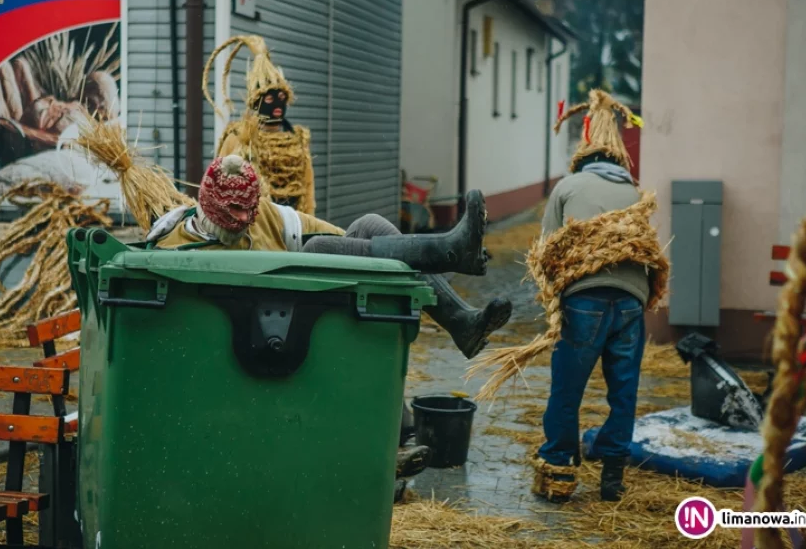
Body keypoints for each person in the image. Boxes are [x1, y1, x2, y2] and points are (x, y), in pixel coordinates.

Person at [148, 155, 514, 500]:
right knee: (322, 248)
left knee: (367, 226)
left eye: (251, 210)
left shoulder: (264, 217)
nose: (245, 219)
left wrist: (378, 253)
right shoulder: (173, 247)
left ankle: (462, 319)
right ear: (211, 208)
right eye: (236, 212)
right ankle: (449, 251)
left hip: (308, 312)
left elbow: (347, 243)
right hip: (254, 341)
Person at [530, 89, 668, 504]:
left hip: (583, 301)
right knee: (623, 392)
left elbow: (546, 250)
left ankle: (559, 471)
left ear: (584, 156)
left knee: (567, 390)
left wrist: (554, 302)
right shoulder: (636, 194)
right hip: (630, 302)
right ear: (618, 162)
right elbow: (646, 251)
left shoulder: (567, 187)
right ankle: (611, 477)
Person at [203, 35, 317, 215]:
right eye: (270, 99)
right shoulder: (239, 137)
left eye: (281, 99)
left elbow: (308, 186)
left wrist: (307, 223)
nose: (276, 105)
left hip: (291, 221)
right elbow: (218, 181)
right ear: (257, 103)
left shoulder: (297, 140)